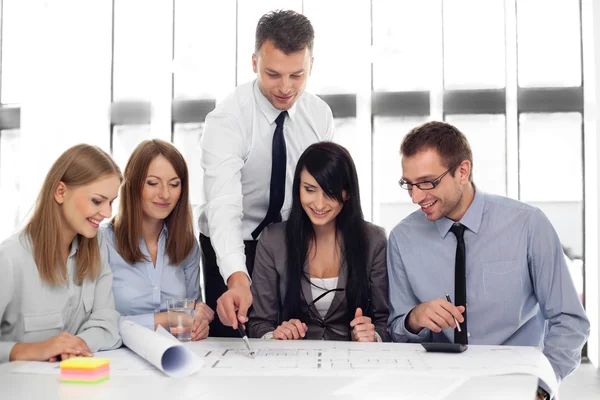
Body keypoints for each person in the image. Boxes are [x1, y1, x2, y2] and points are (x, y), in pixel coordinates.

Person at [386, 121, 590, 399]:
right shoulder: (402, 238)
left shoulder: (528, 225)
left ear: (462, 171)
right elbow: (397, 330)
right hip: (436, 388)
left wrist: (541, 388)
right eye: (408, 184)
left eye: (427, 183)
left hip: (516, 387)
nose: (416, 197)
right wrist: (415, 318)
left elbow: (569, 321)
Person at [199, 9, 334, 337]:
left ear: (311, 66)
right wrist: (237, 276)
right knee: (234, 341)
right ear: (254, 63)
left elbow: (326, 191)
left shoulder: (319, 115)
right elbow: (224, 205)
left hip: (291, 241)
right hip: (233, 240)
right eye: (273, 74)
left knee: (289, 339)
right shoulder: (228, 119)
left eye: (297, 75)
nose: (286, 87)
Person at [248, 142, 389, 341]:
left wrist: (372, 335)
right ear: (298, 188)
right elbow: (259, 323)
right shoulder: (273, 239)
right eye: (310, 189)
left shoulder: (374, 240)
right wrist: (275, 336)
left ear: (347, 192)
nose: (319, 204)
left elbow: (385, 321)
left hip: (353, 362)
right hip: (292, 362)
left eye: (330, 192)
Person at [0, 144, 123, 363]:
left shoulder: (97, 244)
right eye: (97, 201)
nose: (107, 213)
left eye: (111, 202)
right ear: (60, 192)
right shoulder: (10, 258)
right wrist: (30, 350)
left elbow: (107, 322)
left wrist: (78, 345)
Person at [103, 140, 213, 341]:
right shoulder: (103, 242)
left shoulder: (187, 245)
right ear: (133, 184)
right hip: (119, 358)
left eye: (174, 184)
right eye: (153, 183)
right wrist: (169, 319)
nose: (165, 194)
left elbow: (193, 311)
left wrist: (199, 323)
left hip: (176, 356)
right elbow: (98, 325)